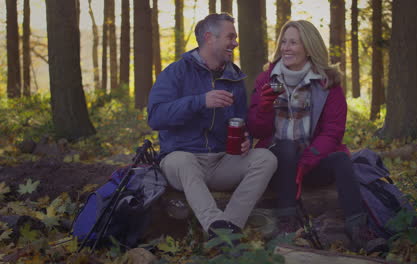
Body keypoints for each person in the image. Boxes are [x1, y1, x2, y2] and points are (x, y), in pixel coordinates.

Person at [247, 20, 387, 253]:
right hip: (274, 163)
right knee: (287, 147)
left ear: (309, 47)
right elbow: (256, 131)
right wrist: (263, 107)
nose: (286, 47)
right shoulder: (266, 79)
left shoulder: (327, 83)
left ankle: (359, 229)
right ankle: (287, 224)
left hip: (308, 160)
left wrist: (307, 161)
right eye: (283, 41)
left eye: (293, 42)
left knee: (342, 160)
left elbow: (333, 131)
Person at [147, 13, 277, 241]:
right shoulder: (176, 72)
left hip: (220, 161)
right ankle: (214, 224)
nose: (235, 42)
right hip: (182, 161)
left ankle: (230, 225)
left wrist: (245, 139)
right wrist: (200, 101)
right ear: (209, 38)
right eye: (230, 36)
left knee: (266, 158)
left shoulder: (234, 78)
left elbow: (239, 121)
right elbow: (156, 117)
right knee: (183, 161)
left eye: (235, 37)